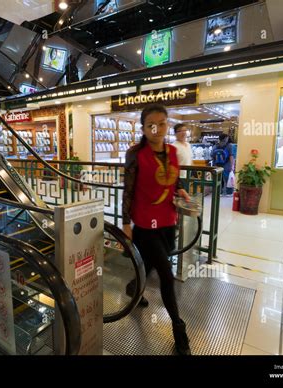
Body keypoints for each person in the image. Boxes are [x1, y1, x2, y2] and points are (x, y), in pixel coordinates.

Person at [122, 104, 191, 355]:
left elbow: (173, 177)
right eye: (152, 123)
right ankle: (178, 328)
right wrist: (126, 222)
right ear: (143, 127)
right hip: (145, 223)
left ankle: (133, 287)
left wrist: (180, 188)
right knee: (165, 273)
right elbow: (128, 190)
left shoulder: (172, 151)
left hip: (168, 221)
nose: (157, 128)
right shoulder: (135, 154)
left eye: (162, 123)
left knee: (151, 263)